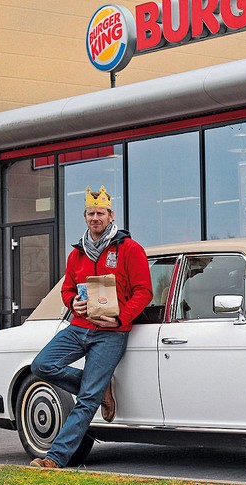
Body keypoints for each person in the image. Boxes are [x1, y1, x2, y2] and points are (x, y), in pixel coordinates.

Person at [29, 185, 153, 469]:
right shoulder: (77, 253)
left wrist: (121, 318)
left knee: (86, 401)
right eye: (90, 213)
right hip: (78, 327)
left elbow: (144, 292)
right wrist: (74, 303)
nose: (95, 218)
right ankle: (100, 388)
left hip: (111, 333)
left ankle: (55, 458)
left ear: (111, 215)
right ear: (85, 217)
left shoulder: (130, 249)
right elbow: (68, 290)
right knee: (42, 365)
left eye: (100, 213)